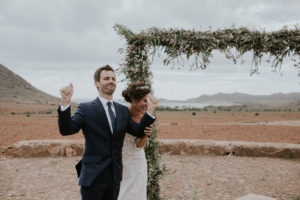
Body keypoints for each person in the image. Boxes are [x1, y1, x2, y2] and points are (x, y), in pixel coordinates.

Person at [57, 65, 158, 200]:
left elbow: (137, 131)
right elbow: (67, 130)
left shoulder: (122, 110)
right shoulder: (86, 109)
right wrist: (65, 103)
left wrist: (150, 112)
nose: (111, 81)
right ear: (97, 83)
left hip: (115, 177)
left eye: (113, 78)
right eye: (106, 78)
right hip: (93, 177)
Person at [117, 81, 153, 200]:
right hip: (120, 159)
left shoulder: (147, 117)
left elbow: (139, 146)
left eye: (148, 100)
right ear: (133, 99)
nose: (147, 104)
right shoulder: (122, 114)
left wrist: (145, 136)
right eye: (144, 100)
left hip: (137, 161)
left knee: (137, 192)